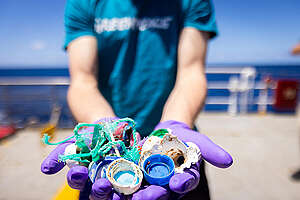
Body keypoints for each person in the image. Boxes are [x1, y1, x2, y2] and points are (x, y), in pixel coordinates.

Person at [41, 0, 233, 199]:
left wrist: (176, 122)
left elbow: (191, 73)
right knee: (100, 188)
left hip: (178, 138)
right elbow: (83, 81)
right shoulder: (85, 3)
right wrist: (105, 128)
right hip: (105, 148)